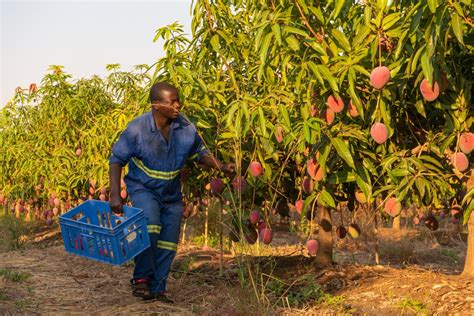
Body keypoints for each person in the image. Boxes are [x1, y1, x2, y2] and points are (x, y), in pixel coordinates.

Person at [108, 82, 234, 303]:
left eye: (178, 100)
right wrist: (115, 193)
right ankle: (141, 280)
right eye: (172, 101)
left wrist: (220, 166)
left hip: (171, 192)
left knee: (168, 239)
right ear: (156, 105)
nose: (178, 105)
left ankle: (158, 287)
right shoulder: (137, 129)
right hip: (143, 187)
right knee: (150, 225)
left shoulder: (185, 128)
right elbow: (116, 160)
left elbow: (199, 153)